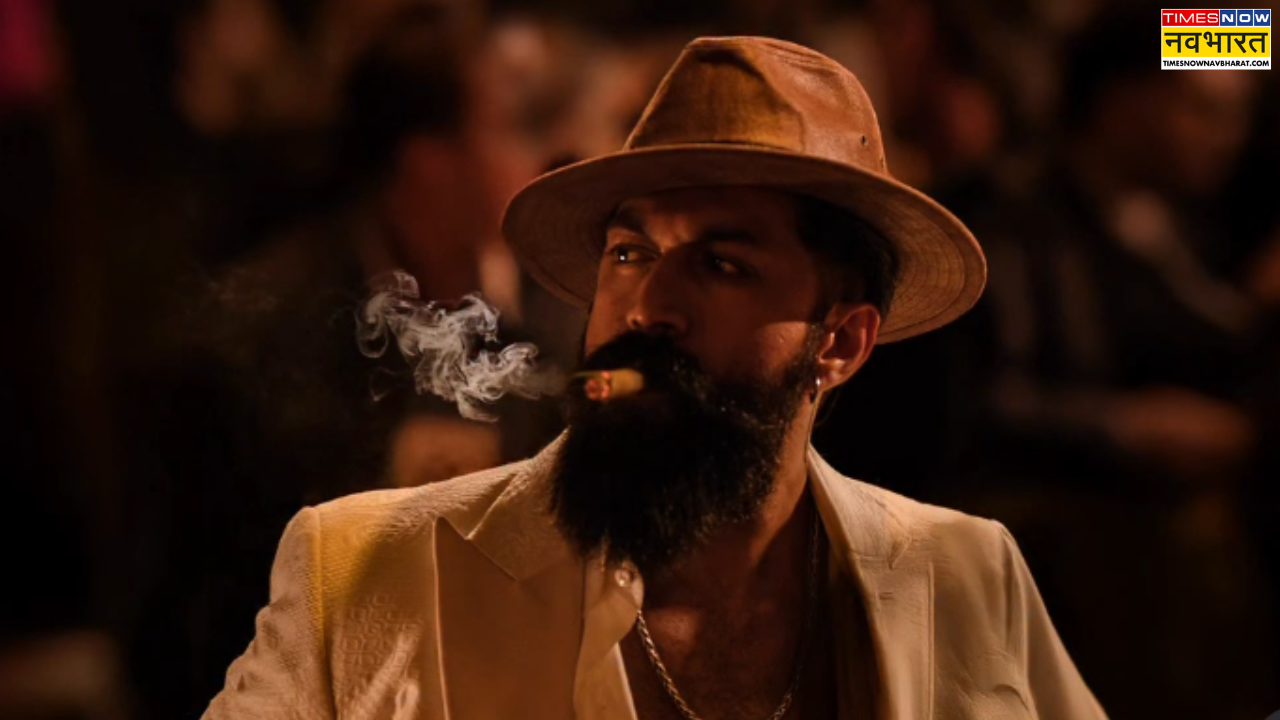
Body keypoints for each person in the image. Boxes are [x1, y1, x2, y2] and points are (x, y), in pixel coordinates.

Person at [202, 36, 1107, 720]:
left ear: (841, 342)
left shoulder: (964, 574)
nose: (647, 309)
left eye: (723, 265)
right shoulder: (365, 573)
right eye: (630, 253)